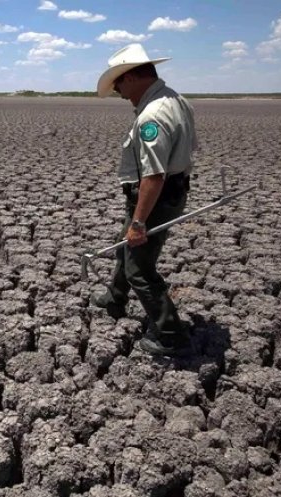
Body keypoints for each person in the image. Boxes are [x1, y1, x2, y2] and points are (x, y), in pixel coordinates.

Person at [92, 43, 197, 356]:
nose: (120, 93)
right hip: (167, 193)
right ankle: (114, 299)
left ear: (134, 77)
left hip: (155, 199)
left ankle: (171, 335)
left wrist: (138, 221)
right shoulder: (176, 100)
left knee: (140, 267)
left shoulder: (152, 116)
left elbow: (154, 175)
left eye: (120, 84)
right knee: (124, 245)